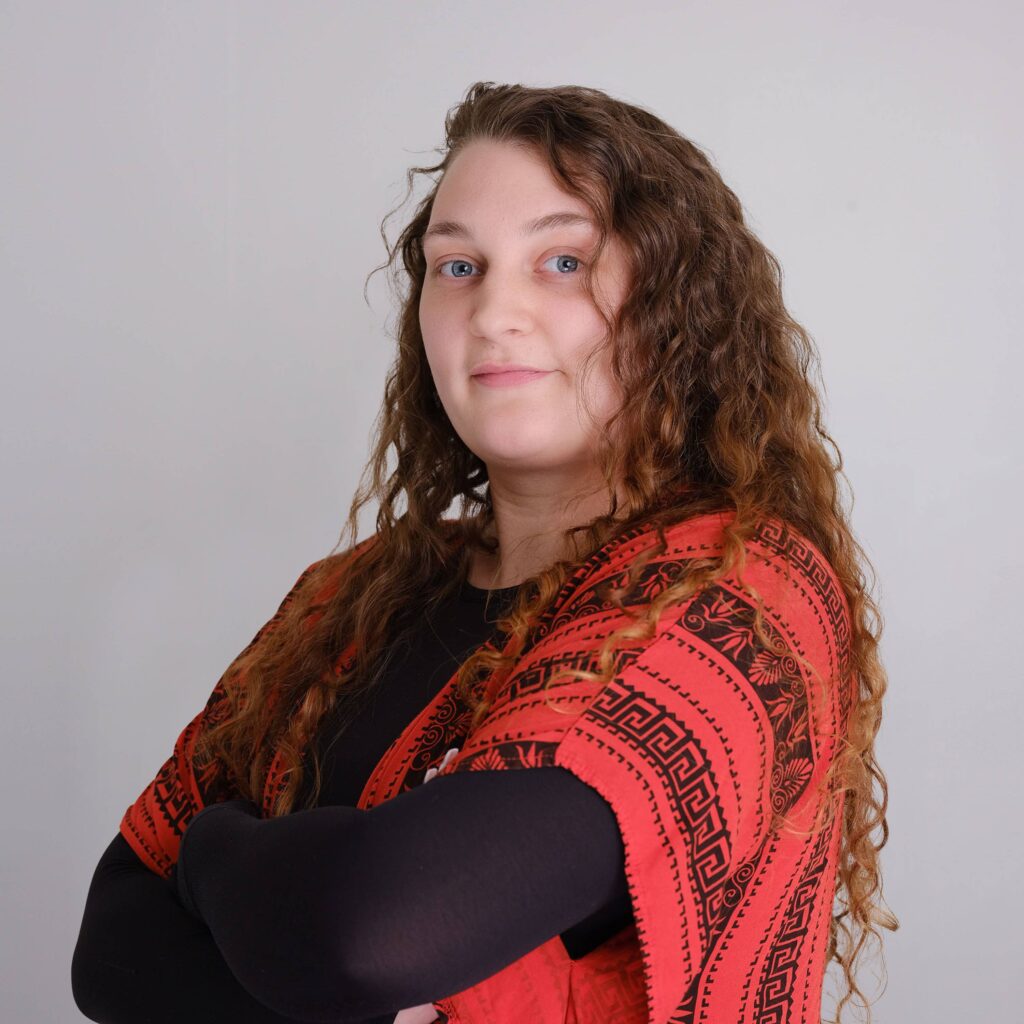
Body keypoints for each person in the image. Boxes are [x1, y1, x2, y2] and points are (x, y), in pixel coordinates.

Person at [71, 81, 897, 1024]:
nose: (495, 311)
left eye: (561, 261)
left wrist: (213, 850)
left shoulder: (737, 603)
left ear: (678, 307)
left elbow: (371, 937)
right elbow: (111, 947)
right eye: (457, 266)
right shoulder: (346, 599)